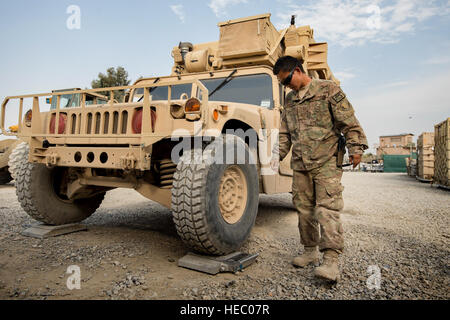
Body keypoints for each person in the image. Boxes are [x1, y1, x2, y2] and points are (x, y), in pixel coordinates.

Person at [271, 56, 368, 282]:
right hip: (301, 164)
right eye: (283, 84)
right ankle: (310, 251)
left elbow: (349, 122)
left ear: (297, 71)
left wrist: (356, 148)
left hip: (326, 162)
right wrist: (276, 155)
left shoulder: (327, 90)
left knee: (327, 209)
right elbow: (285, 133)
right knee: (304, 210)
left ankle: (331, 262)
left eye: (286, 81)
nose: (285, 86)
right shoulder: (290, 99)